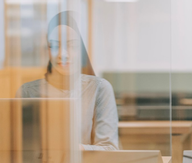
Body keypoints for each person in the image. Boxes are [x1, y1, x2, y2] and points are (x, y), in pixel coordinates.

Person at [18, 11, 119, 151]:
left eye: (73, 46)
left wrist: (74, 150)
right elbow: (18, 147)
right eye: (54, 46)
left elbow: (110, 149)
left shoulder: (99, 89)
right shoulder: (27, 92)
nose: (63, 54)